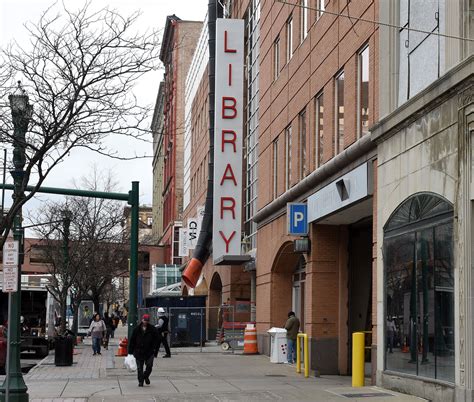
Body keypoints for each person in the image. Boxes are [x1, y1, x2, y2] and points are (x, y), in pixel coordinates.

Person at [129, 314, 159, 387]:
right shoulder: (137, 329)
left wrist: (155, 350)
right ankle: (140, 381)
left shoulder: (152, 329)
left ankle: (145, 376)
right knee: (140, 368)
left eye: (147, 320)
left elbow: (157, 340)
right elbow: (132, 341)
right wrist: (130, 352)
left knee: (149, 366)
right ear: (142, 320)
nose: (145, 322)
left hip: (149, 351)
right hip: (139, 351)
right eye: (144, 320)